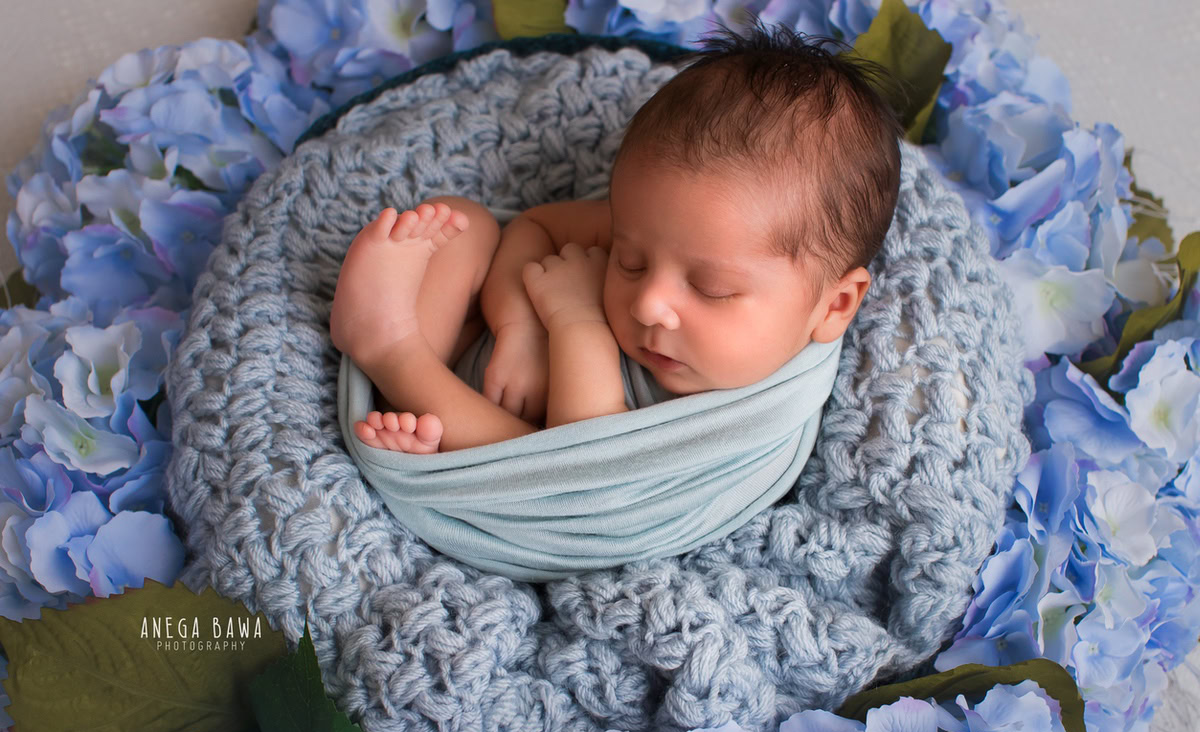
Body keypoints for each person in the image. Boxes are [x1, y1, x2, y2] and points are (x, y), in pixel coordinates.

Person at [329, 20, 904, 454]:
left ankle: (391, 354)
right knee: (463, 221)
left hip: (521, 447)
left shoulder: (763, 407)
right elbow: (535, 225)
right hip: (486, 347)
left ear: (835, 304)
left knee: (527, 455)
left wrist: (576, 323)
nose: (649, 301)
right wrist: (521, 327)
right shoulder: (676, 225)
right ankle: (420, 350)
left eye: (711, 288)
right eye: (629, 260)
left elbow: (583, 460)